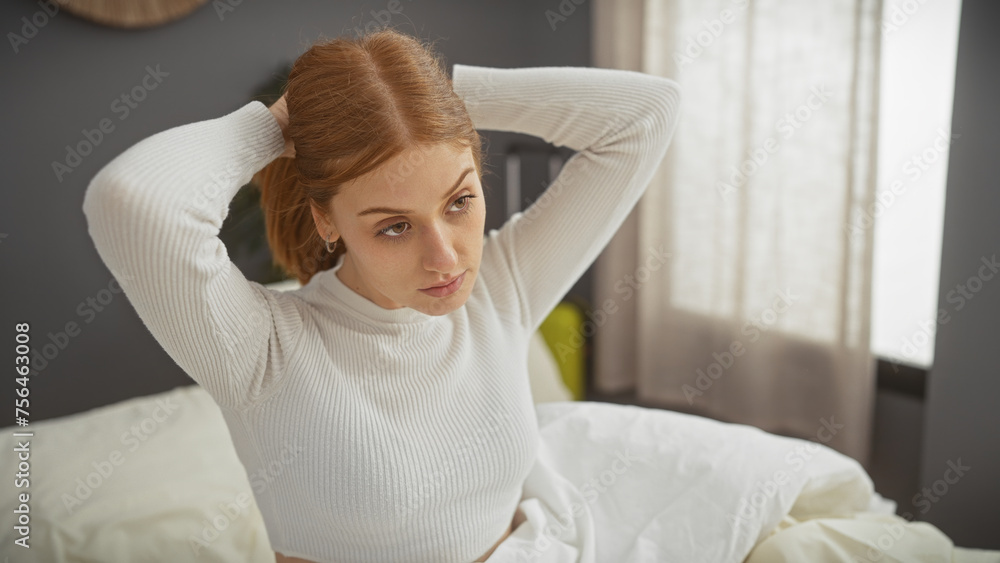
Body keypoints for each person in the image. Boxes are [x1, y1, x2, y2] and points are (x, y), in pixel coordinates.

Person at [82, 27, 680, 562]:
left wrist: (425, 96)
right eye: (394, 226)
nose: (446, 258)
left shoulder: (501, 287)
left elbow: (647, 113)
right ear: (327, 221)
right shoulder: (261, 351)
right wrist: (276, 125)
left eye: (459, 202)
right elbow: (131, 202)